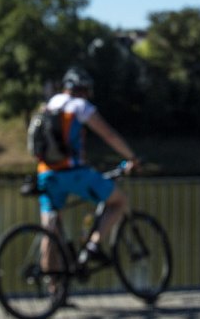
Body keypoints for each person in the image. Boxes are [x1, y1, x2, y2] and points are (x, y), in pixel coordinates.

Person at [37, 66, 140, 264]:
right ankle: (93, 245)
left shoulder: (51, 104)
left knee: (50, 232)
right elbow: (109, 135)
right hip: (72, 172)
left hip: (46, 173)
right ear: (81, 88)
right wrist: (132, 157)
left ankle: (53, 289)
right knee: (119, 201)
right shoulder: (79, 106)